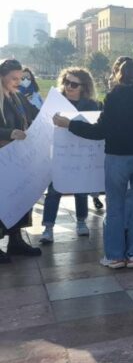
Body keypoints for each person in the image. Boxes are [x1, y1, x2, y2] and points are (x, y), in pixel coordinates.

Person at [53, 58, 133, 269]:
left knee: (116, 207)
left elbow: (99, 131)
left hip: (118, 158)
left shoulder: (114, 96)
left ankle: (115, 256)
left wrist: (69, 124)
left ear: (118, 73)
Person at [40, 67, 100, 244]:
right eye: (66, 82)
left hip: (81, 154)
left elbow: (94, 129)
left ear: (84, 87)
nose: (68, 87)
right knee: (54, 191)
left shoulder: (91, 105)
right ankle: (48, 227)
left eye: (74, 84)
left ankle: (81, 221)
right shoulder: (55, 102)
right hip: (58, 154)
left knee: (81, 189)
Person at [0, 59, 42, 263]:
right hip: (3, 157)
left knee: (19, 198)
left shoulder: (17, 97)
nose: (18, 82)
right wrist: (9, 133)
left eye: (20, 78)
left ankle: (15, 240)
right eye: (13, 78)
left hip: (18, 158)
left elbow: (36, 114)